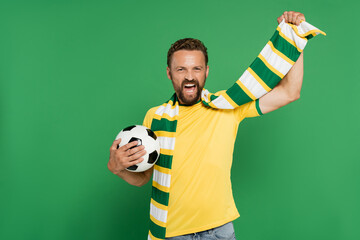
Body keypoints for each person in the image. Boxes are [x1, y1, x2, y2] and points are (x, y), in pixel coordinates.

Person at [108, 11, 306, 240]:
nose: (189, 76)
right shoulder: (155, 117)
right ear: (169, 73)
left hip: (219, 233)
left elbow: (290, 92)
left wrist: (294, 36)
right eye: (181, 69)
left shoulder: (228, 105)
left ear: (207, 72)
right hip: (171, 234)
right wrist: (117, 169)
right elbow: (144, 178)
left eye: (196, 69)